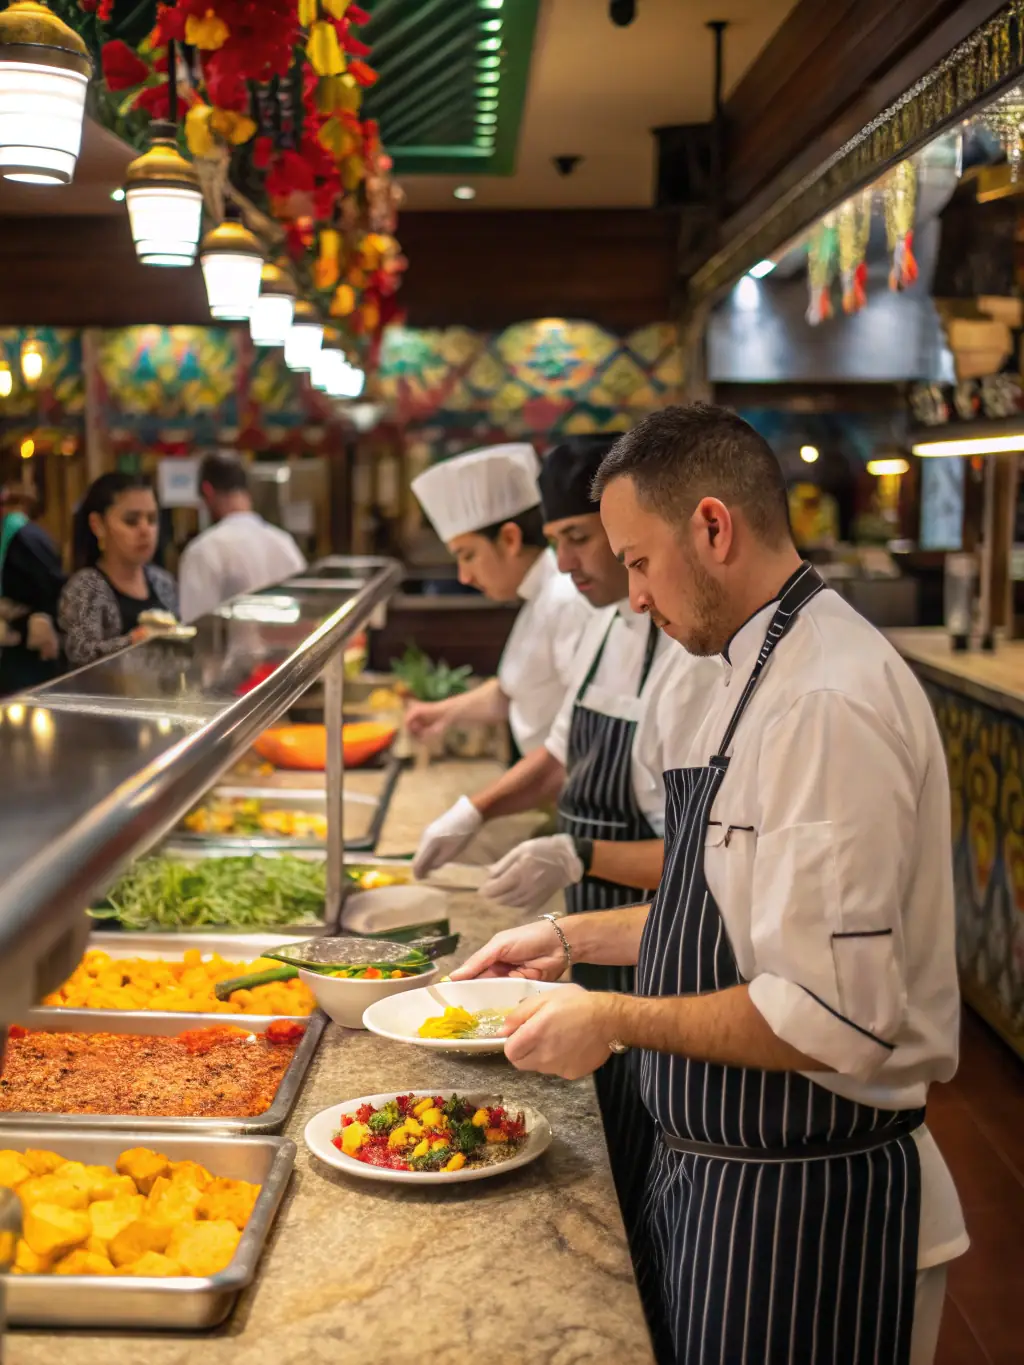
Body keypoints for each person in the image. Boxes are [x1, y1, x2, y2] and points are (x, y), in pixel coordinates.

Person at [453, 404, 967, 1365]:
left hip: (812, 1204)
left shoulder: (825, 702)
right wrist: (572, 943)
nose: (634, 596)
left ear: (714, 527)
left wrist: (614, 1021)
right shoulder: (745, 666)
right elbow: (722, 917)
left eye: (639, 561)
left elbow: (829, 1015)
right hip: (726, 1178)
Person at [415, 432, 720, 1225]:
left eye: (582, 540)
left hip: (657, 950)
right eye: (559, 544)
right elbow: (557, 753)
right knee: (601, 1138)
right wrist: (474, 810)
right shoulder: (599, 620)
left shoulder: (692, 659)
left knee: (636, 1135)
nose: (568, 565)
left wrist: (574, 849)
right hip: (589, 927)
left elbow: (707, 870)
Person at [406, 442, 591, 759]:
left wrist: (473, 809)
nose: (464, 576)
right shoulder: (538, 595)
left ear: (509, 539)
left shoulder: (565, 601)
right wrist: (441, 712)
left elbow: (573, 743)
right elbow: (512, 692)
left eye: (468, 556)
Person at [59, 472, 179, 668]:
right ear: (98, 525)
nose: (145, 530)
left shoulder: (162, 581)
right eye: (131, 521)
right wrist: (132, 641)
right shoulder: (85, 587)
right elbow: (79, 658)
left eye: (152, 519)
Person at [177, 452, 307, 623]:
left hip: (233, 650)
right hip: (292, 649)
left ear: (207, 491)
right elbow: (304, 613)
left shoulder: (204, 551)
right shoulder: (284, 542)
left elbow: (195, 626)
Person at [0, 487, 64, 694]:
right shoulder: (28, 532)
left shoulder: (20, 535)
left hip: (27, 639)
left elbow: (50, 584)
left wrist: (42, 616)